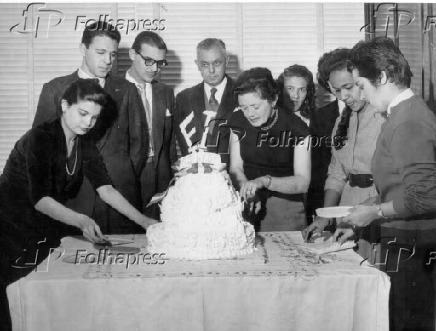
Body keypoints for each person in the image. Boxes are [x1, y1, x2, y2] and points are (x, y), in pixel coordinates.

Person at [0, 80, 157, 331]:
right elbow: (40, 199)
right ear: (64, 105)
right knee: (9, 302)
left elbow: (105, 189)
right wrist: (81, 220)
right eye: (82, 113)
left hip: (38, 228)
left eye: (94, 118)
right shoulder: (40, 138)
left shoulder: (85, 144)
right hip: (8, 227)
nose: (88, 123)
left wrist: (144, 221)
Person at [341, 37, 436, 331]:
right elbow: (394, 188)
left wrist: (374, 213)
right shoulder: (400, 115)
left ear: (381, 77)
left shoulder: (410, 120)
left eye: (361, 85)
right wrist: (361, 216)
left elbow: (425, 198)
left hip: (415, 244)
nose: (359, 93)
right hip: (404, 239)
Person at [32, 21, 148, 234]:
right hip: (73, 199)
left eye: (113, 55)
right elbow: (43, 150)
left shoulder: (128, 90)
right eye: (101, 52)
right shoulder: (55, 89)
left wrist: (121, 174)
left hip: (121, 196)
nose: (107, 61)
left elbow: (139, 146)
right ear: (83, 49)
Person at [302, 48, 385, 256]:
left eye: (348, 87)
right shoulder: (342, 120)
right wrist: (325, 216)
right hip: (346, 209)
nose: (343, 96)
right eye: (337, 91)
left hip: (376, 208)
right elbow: (336, 174)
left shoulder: (386, 117)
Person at [228, 67, 311, 232]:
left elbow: (303, 183)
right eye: (244, 107)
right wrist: (248, 190)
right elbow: (235, 167)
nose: (249, 113)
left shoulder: (297, 128)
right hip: (246, 201)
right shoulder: (237, 121)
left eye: (255, 107)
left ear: (273, 100)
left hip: (285, 207)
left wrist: (262, 182)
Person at [126, 31, 176, 219]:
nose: (154, 68)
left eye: (160, 63)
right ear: (132, 54)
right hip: (128, 178)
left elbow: (169, 142)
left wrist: (173, 179)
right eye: (148, 61)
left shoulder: (166, 92)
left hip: (160, 177)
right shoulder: (114, 90)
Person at [174, 38, 238, 165]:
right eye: (204, 64)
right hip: (196, 178)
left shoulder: (242, 94)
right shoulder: (184, 98)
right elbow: (183, 146)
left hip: (234, 178)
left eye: (217, 63)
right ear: (197, 64)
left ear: (227, 61)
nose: (211, 70)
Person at [306, 51, 345, 221]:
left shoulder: (375, 111)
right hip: (330, 201)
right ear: (327, 84)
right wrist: (320, 213)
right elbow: (318, 170)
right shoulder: (319, 117)